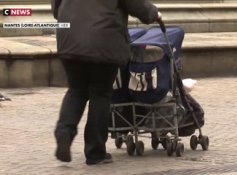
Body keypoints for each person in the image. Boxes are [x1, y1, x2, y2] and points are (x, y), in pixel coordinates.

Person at [51, 0, 160, 165]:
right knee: (100, 94)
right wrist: (153, 14)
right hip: (104, 41)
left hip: (70, 38)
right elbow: (136, 4)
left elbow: (56, 8)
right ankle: (95, 153)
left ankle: (64, 133)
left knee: (76, 90)